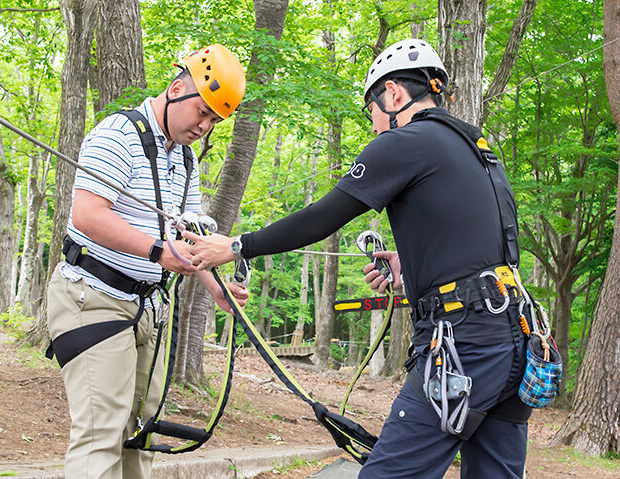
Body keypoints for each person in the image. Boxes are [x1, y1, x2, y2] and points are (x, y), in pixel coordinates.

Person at [186, 38, 532, 478]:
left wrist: (237, 246)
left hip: (464, 344)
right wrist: (413, 267)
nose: (373, 127)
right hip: (515, 340)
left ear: (393, 94)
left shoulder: (407, 141)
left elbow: (321, 218)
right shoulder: (477, 148)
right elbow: (485, 244)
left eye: (371, 112)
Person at [46, 44, 249, 479]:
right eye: (202, 112)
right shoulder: (117, 135)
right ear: (176, 90)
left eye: (215, 121)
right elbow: (86, 214)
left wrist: (217, 289)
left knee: (142, 433)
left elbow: (188, 236)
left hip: (148, 309)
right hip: (94, 298)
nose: (204, 127)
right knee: (101, 433)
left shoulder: (186, 158)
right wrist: (157, 252)